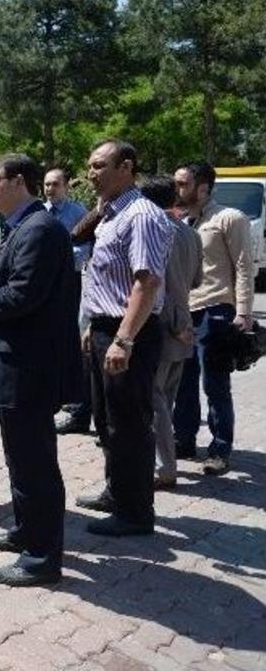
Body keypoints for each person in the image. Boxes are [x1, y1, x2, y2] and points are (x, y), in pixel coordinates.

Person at [0, 153, 79, 587]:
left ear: (19, 181)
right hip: (19, 362)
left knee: (35, 463)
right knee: (20, 457)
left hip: (30, 366)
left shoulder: (39, 229)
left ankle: (41, 558)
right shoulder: (27, 226)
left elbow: (21, 296)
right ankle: (25, 532)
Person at [76, 140, 173, 538]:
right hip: (105, 328)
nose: (91, 173)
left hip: (129, 332)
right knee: (106, 420)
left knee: (129, 424)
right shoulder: (111, 214)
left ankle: (135, 513)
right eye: (90, 165)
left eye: (99, 165)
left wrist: (124, 340)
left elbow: (146, 282)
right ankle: (117, 492)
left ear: (126, 167)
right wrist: (93, 328)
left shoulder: (142, 215)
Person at [172, 161, 255, 476]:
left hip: (216, 310)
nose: (176, 189)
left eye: (182, 183)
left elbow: (246, 266)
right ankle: (184, 440)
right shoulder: (182, 222)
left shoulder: (229, 218)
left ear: (202, 186)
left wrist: (244, 311)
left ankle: (220, 450)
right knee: (183, 382)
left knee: (215, 383)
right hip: (185, 311)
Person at [138, 176, 203, 489]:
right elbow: (196, 281)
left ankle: (164, 468)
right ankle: (164, 461)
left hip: (165, 325)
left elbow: (151, 285)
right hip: (185, 323)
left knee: (155, 401)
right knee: (166, 398)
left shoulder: (156, 231)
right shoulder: (190, 233)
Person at [44, 169, 94, 435]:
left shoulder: (78, 213)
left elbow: (85, 249)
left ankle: (79, 405)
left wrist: (58, 257)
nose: (50, 189)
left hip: (71, 284)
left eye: (55, 184)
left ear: (65, 187)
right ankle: (57, 396)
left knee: (73, 341)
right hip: (45, 286)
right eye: (47, 184)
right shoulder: (39, 212)